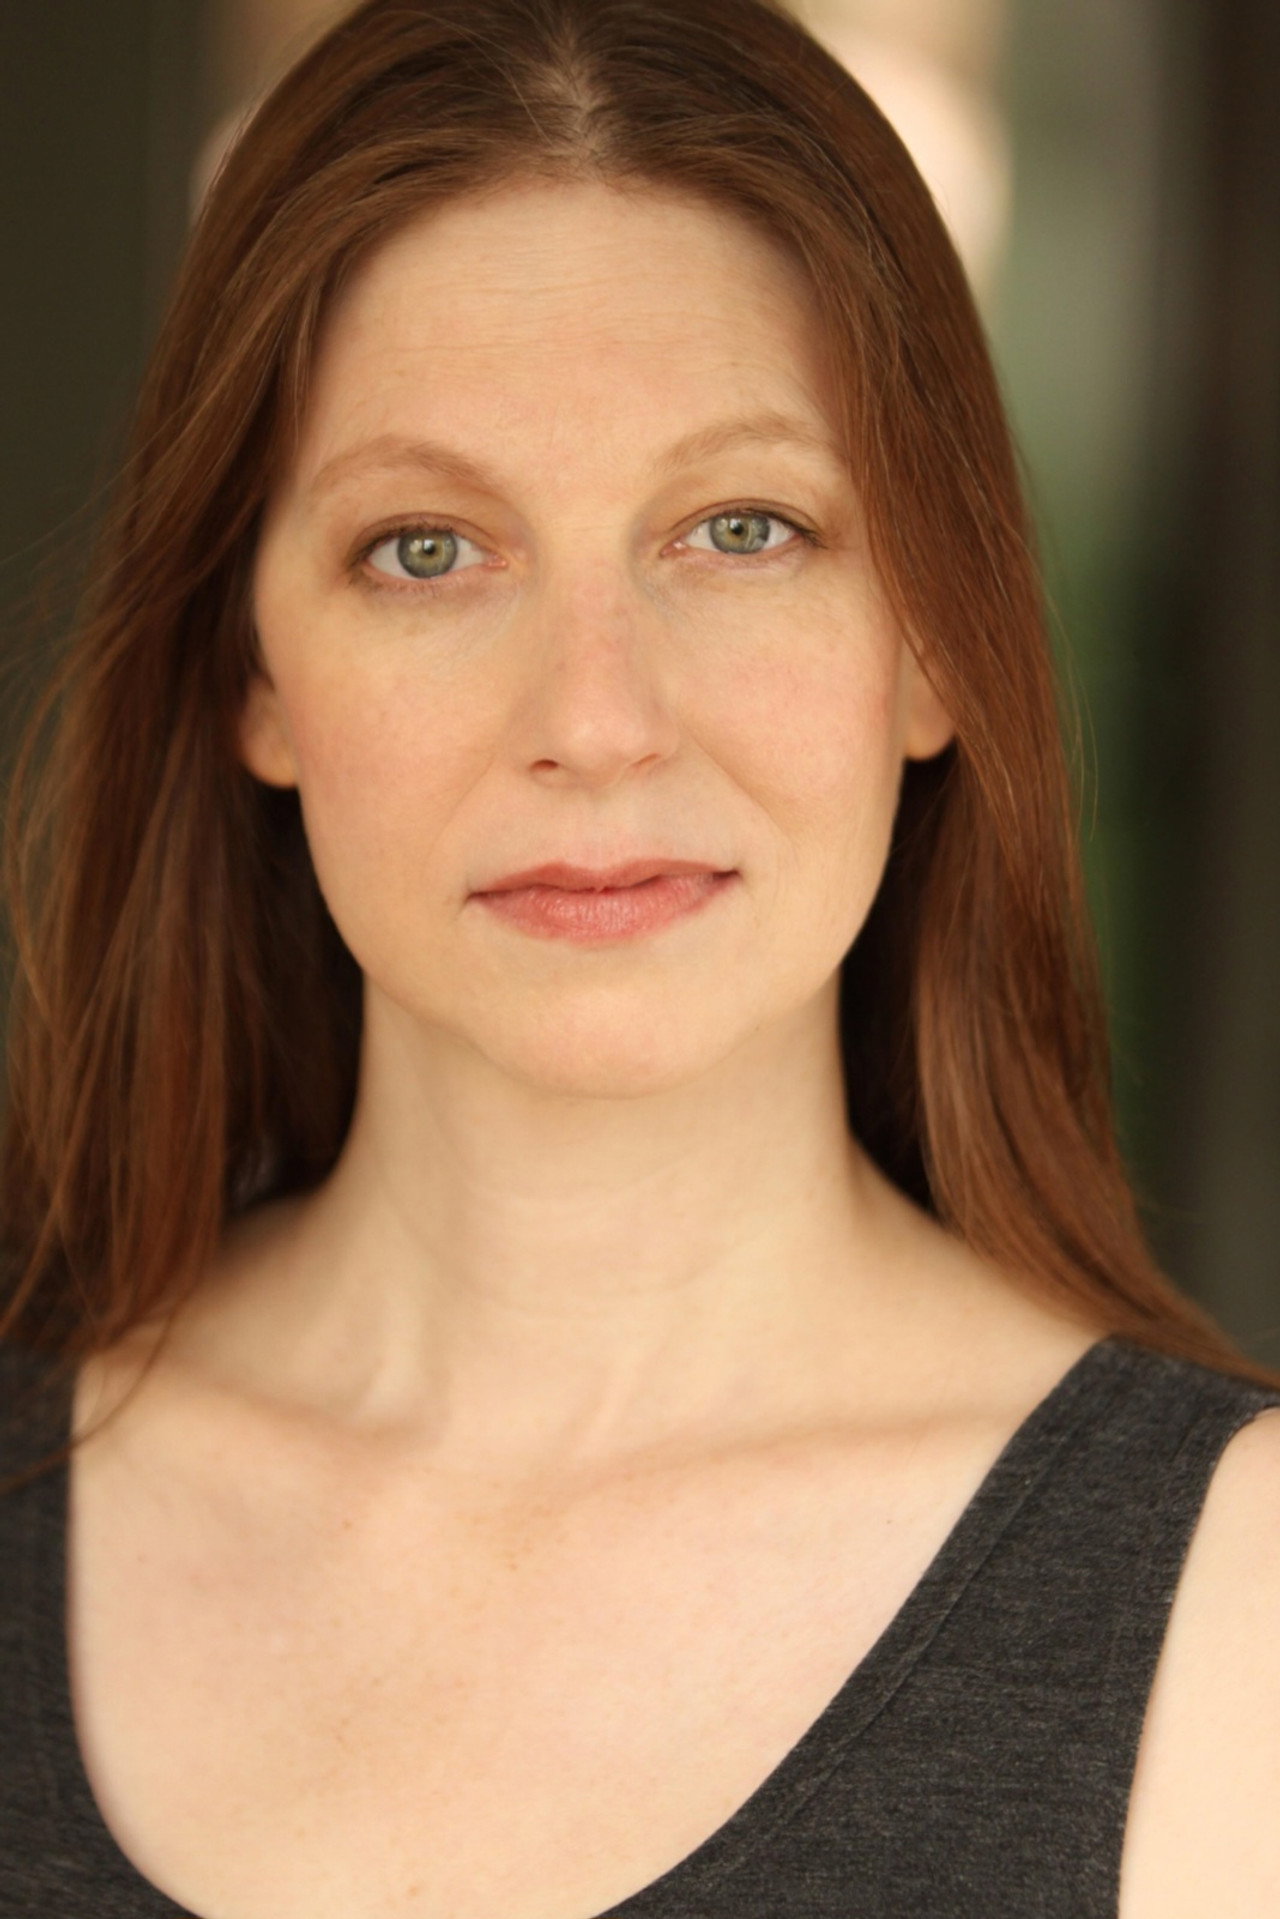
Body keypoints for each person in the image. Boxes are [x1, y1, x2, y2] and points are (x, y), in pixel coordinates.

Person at [1, 1, 1278, 1913]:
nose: (596, 722)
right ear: (248, 670)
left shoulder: (1243, 1617)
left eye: (742, 529)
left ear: (935, 643)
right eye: (427, 549)